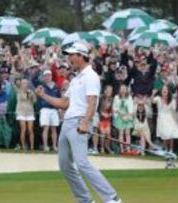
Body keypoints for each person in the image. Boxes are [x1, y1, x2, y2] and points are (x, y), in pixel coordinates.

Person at [35, 42, 121, 203]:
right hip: (67, 122)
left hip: (79, 122)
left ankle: (112, 199)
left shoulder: (91, 76)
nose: (69, 58)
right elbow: (64, 103)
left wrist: (85, 122)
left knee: (82, 163)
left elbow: (92, 102)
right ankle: (85, 200)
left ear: (81, 56)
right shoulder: (75, 80)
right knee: (65, 166)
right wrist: (44, 96)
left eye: (72, 55)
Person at [152, 85, 178, 153]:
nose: (164, 90)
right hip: (161, 118)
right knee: (164, 134)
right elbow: (152, 101)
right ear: (161, 91)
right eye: (163, 89)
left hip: (169, 118)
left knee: (171, 134)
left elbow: (174, 112)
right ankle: (165, 149)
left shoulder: (172, 100)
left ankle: (171, 150)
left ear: (168, 91)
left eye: (166, 89)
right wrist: (153, 93)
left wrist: (177, 122)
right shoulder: (158, 98)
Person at [39, 70, 61, 152]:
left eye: (49, 75)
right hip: (45, 109)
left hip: (54, 109)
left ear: (51, 76)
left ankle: (54, 146)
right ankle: (45, 146)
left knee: (54, 128)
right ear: (44, 77)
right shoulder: (42, 87)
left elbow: (59, 98)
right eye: (46, 76)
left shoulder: (56, 87)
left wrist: (59, 108)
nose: (47, 77)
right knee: (46, 128)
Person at [15, 78, 37, 151]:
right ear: (21, 84)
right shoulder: (18, 91)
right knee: (23, 129)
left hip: (30, 112)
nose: (25, 84)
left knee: (30, 130)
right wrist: (27, 94)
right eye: (23, 83)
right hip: (21, 112)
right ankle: (23, 146)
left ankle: (32, 147)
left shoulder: (31, 92)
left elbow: (34, 101)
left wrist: (32, 95)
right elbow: (22, 98)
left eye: (26, 83)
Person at [112, 84, 134, 153]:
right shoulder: (116, 97)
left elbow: (131, 108)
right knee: (121, 133)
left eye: (124, 89)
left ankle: (128, 149)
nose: (123, 90)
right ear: (120, 90)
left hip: (127, 116)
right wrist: (120, 114)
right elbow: (114, 108)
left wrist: (128, 116)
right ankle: (121, 149)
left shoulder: (129, 97)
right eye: (122, 89)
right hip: (119, 116)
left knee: (127, 133)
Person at [98, 84, 114, 154]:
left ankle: (107, 146)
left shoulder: (112, 99)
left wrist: (110, 114)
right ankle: (101, 148)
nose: (109, 92)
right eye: (108, 90)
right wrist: (102, 113)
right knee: (103, 133)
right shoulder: (101, 98)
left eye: (110, 91)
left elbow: (113, 110)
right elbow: (98, 109)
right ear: (105, 91)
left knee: (108, 134)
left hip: (108, 120)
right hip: (101, 119)